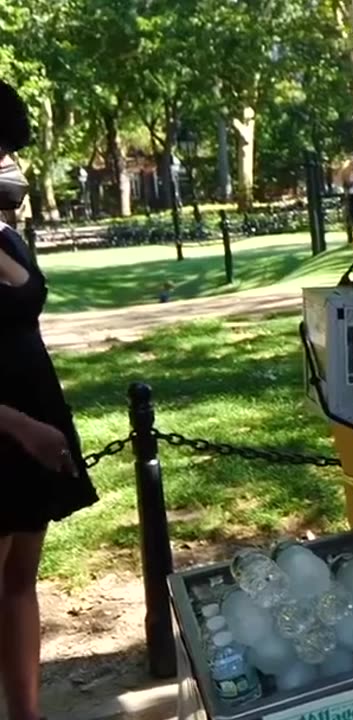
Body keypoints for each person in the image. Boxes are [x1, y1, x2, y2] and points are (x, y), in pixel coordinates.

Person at [0, 79, 99, 720]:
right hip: (5, 433)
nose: (8, 160)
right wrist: (18, 426)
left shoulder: (5, 235)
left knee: (18, 582)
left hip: (33, 425)